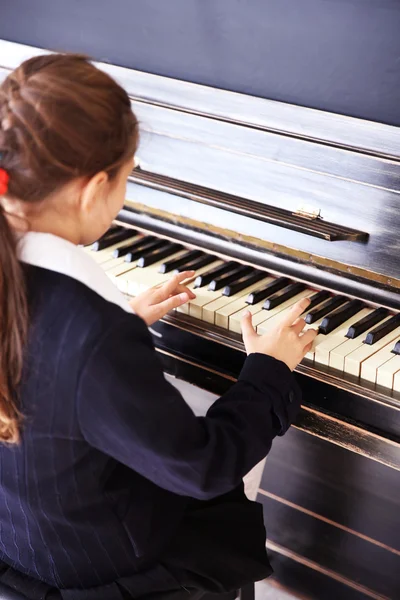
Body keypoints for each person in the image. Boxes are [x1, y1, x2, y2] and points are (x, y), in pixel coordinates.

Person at [0, 54, 317, 600]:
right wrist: (269, 371)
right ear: (95, 186)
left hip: (23, 538)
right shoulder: (93, 338)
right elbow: (200, 467)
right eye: (129, 178)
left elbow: (44, 365)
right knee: (227, 486)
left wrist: (117, 327)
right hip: (108, 571)